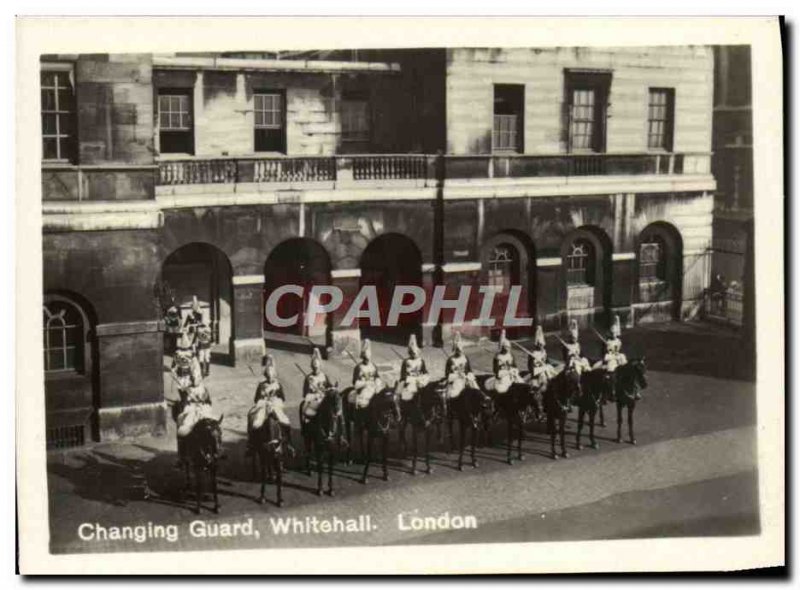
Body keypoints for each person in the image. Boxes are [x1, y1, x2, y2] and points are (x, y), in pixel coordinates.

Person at [245, 355, 291, 457]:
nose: (270, 377)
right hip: (264, 406)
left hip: (275, 405)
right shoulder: (261, 385)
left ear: (274, 374)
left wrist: (275, 400)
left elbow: (282, 398)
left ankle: (288, 444)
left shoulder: (278, 385)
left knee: (285, 421)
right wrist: (264, 399)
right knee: (256, 423)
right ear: (266, 375)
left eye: (272, 375)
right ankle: (252, 444)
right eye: (268, 375)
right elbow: (256, 399)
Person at [350, 339, 385, 409]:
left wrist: (377, 382)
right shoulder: (358, 367)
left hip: (374, 386)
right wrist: (365, 383)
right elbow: (355, 382)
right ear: (363, 358)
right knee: (363, 402)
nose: (367, 360)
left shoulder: (373, 366)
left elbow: (377, 376)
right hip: (364, 388)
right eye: (366, 359)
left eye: (368, 359)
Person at [301, 348, 334, 421]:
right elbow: (305, 394)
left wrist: (329, 389)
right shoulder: (309, 378)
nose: (316, 369)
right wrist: (314, 395)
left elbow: (330, 386)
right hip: (313, 401)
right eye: (314, 367)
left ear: (320, 366)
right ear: (312, 367)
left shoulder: (324, 376)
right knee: (308, 413)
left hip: (323, 398)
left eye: (317, 367)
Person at [395, 334, 430, 402]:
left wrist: (425, 377)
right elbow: (403, 376)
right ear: (410, 353)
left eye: (416, 352)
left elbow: (424, 371)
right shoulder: (406, 362)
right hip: (410, 381)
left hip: (420, 380)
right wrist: (410, 381)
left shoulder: (421, 361)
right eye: (413, 353)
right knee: (408, 394)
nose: (415, 354)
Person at [445, 332, 478, 399]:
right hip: (456, 380)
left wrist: (468, 376)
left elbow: (469, 370)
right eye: (457, 350)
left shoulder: (465, 358)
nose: (459, 352)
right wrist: (457, 375)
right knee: (456, 393)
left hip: (466, 379)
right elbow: (447, 374)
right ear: (454, 350)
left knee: (475, 389)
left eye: (460, 350)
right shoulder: (450, 360)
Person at [491, 329, 523, 395]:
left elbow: (514, 366)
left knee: (521, 384)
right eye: (506, 347)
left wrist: (514, 370)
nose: (508, 349)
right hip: (503, 377)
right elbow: (496, 371)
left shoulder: (510, 356)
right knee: (501, 390)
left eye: (508, 347)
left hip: (512, 375)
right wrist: (506, 372)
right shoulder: (497, 357)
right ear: (503, 347)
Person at [527, 325, 558, 390]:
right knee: (544, 373)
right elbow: (530, 367)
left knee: (549, 368)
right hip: (536, 371)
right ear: (537, 344)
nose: (541, 346)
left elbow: (547, 361)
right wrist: (539, 367)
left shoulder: (544, 352)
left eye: (542, 344)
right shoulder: (533, 354)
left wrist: (547, 364)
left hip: (544, 369)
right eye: (540, 345)